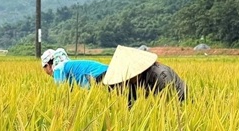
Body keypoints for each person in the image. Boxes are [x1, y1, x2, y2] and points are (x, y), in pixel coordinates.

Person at [40, 46, 187, 105]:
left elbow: (175, 103)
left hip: (181, 101)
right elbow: (131, 102)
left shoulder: (161, 76)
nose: (123, 78)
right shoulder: (132, 81)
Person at [102, 45, 187, 106]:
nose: (127, 78)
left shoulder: (161, 75)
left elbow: (170, 103)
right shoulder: (126, 81)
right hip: (150, 101)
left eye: (130, 74)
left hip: (179, 100)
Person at [41, 48, 108, 88]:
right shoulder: (68, 65)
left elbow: (62, 94)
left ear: (48, 65)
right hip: (107, 70)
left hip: (98, 76)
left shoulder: (58, 69)